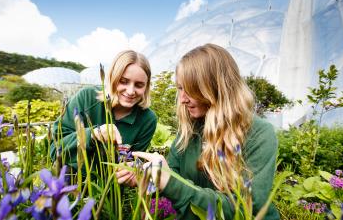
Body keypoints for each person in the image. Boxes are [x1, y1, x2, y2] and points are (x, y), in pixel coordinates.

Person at [117, 44, 279, 219]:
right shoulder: (189, 129)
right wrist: (148, 178)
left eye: (191, 89)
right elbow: (172, 180)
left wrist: (169, 181)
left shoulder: (259, 134)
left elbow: (246, 209)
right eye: (180, 88)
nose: (182, 99)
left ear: (216, 88)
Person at [50, 50, 157, 172]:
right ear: (112, 78)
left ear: (146, 86)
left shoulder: (148, 119)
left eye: (139, 85)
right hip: (70, 180)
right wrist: (93, 135)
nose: (131, 91)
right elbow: (55, 150)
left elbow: (134, 161)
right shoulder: (87, 98)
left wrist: (131, 169)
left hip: (113, 187)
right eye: (123, 81)